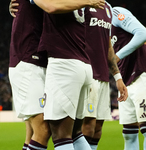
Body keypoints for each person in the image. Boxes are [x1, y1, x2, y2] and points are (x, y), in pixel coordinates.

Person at [28, 0, 120, 149]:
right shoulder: (80, 3)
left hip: (63, 64)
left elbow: (50, 7)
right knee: (77, 134)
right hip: (83, 65)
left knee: (61, 136)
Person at [81, 2, 128, 150]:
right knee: (87, 126)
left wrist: (118, 77)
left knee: (98, 129)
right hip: (87, 73)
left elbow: (109, 47)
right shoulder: (82, 4)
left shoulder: (108, 7)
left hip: (103, 76)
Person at [8, 0, 51, 150]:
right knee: (43, 129)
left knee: (32, 131)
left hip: (37, 61)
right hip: (28, 63)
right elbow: (52, 7)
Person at [111, 6, 146, 150]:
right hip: (124, 81)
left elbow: (143, 33)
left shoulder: (115, 13)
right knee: (129, 134)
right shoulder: (94, 25)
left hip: (141, 74)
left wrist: (117, 56)